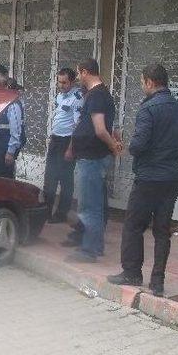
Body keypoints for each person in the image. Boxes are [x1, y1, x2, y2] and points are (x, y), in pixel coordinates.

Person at [107, 64, 178, 297]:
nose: (142, 85)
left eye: (142, 82)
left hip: (149, 178)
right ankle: (157, 282)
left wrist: (129, 146)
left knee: (134, 225)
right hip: (173, 177)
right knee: (162, 231)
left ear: (150, 82)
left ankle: (132, 273)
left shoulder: (148, 109)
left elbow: (138, 146)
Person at [64, 58, 121, 263]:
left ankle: (90, 250)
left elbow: (99, 129)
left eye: (79, 73)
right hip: (93, 157)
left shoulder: (97, 95)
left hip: (91, 158)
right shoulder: (100, 94)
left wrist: (113, 146)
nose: (78, 77)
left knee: (89, 206)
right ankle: (93, 246)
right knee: (96, 204)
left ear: (86, 72)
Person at [43, 68, 83, 223]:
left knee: (65, 179)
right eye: (59, 81)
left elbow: (77, 125)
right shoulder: (60, 96)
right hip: (56, 140)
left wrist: (71, 148)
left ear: (72, 82)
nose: (61, 85)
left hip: (67, 142)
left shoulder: (77, 97)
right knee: (50, 178)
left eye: (64, 82)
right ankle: (45, 212)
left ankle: (61, 214)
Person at [0, 66, 25, 179]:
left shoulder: (12, 103)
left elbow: (16, 129)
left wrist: (10, 152)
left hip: (6, 145)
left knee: (5, 178)